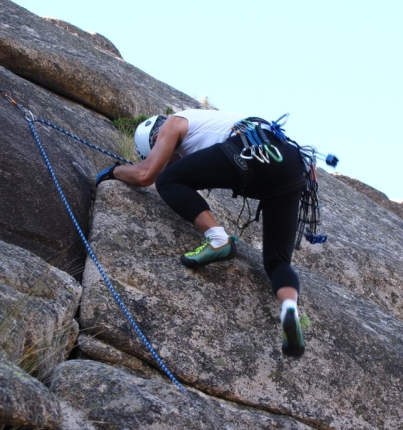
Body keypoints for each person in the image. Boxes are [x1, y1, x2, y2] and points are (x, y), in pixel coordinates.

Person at [95, 109, 307, 357]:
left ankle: (218, 238)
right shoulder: (207, 126)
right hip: (291, 165)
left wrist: (114, 172)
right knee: (277, 263)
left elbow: (145, 175)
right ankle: (289, 309)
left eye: (162, 153)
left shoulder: (173, 123)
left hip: (253, 148)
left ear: (154, 139)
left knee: (166, 181)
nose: (170, 160)